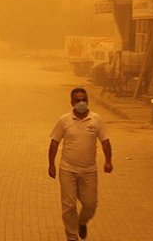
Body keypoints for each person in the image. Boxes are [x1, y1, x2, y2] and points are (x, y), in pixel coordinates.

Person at [48, 87, 113, 240]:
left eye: (84, 100)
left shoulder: (96, 119)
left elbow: (105, 141)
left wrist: (108, 161)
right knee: (69, 205)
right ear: (72, 102)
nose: (81, 103)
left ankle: (82, 222)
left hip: (89, 171)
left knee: (90, 204)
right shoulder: (64, 120)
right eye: (78, 100)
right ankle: (71, 236)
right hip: (67, 169)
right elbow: (54, 142)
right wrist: (51, 164)